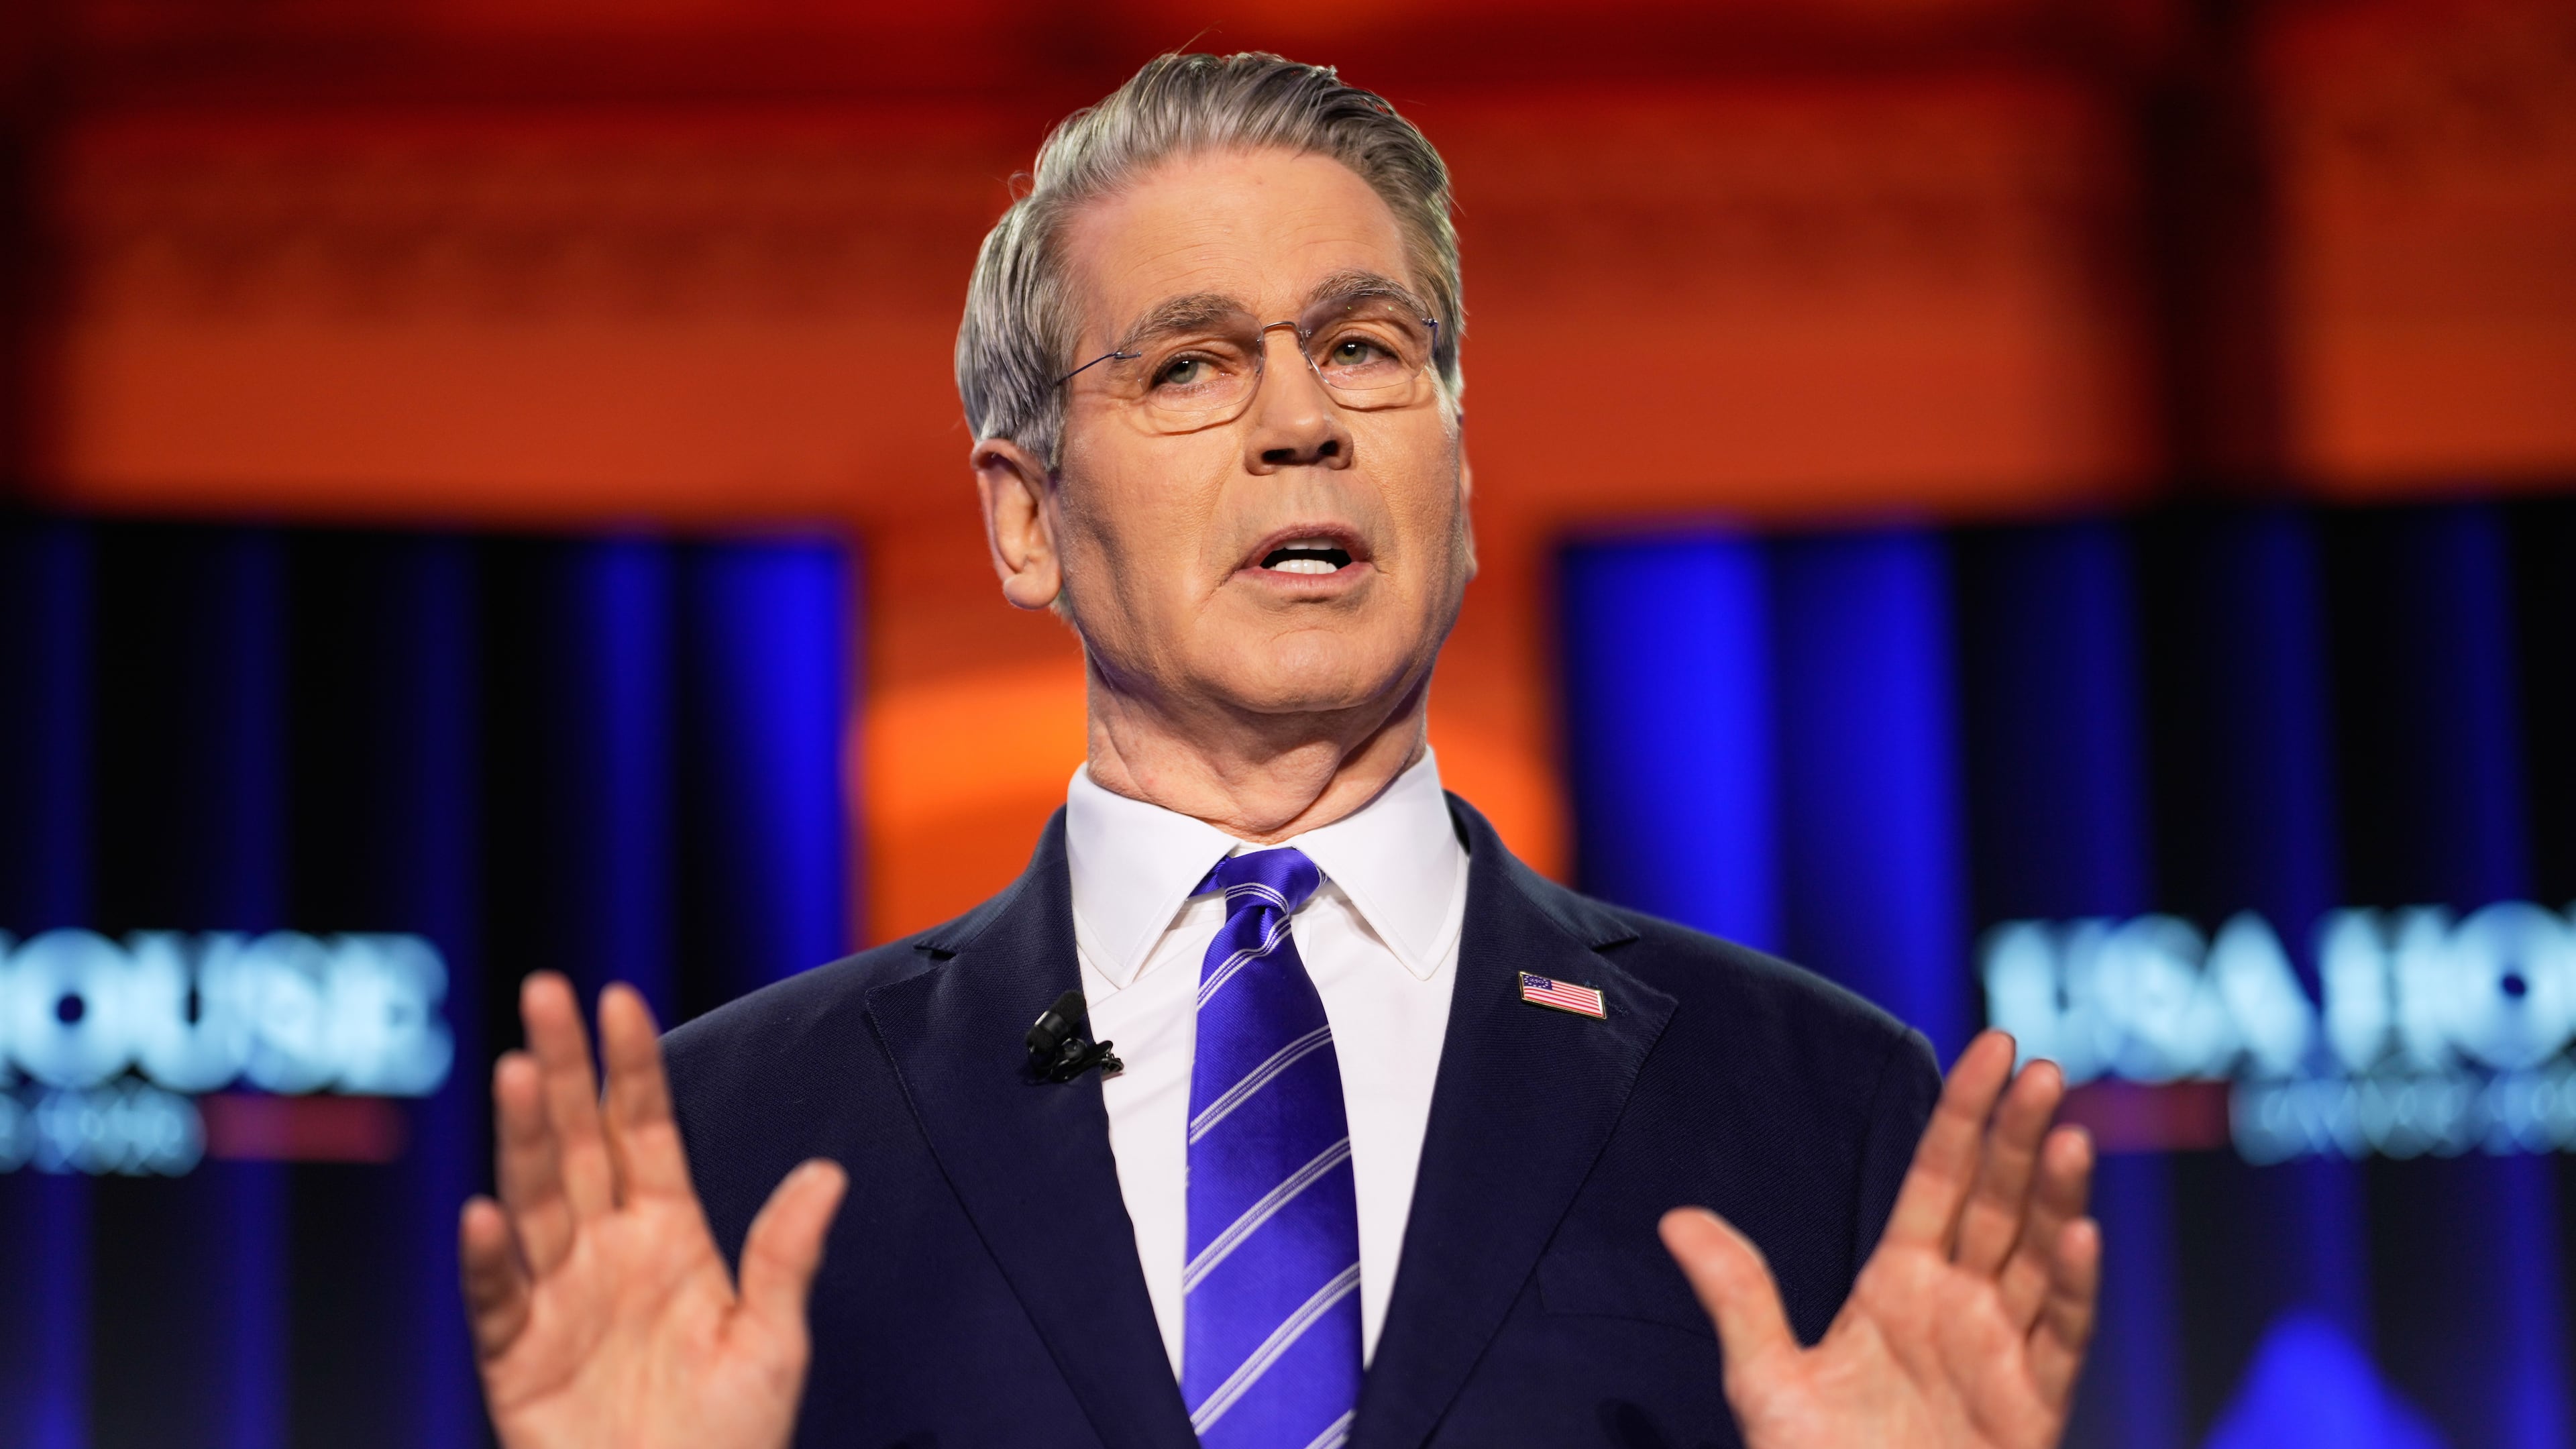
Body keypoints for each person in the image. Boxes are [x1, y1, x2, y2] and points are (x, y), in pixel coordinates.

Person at [455, 52, 2100, 1449]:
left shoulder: (1817, 1105)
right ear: (1027, 522)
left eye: (1366, 349)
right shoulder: (732, 1142)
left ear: (1458, 472)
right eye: (1191, 366)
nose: (1303, 422)